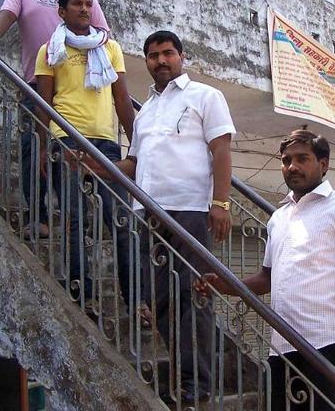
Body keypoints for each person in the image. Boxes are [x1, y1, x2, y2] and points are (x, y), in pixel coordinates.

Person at [85, 30, 235, 403]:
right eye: (153, 56)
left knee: (193, 297)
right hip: (147, 212)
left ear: (181, 57)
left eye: (167, 53)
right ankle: (186, 376)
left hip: (190, 211)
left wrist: (222, 203)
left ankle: (197, 385)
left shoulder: (205, 96)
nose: (160, 61)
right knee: (161, 299)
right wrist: (96, 165)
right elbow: (133, 163)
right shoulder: (146, 109)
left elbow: (221, 149)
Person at [197, 129, 335, 410]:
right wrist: (224, 285)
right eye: (286, 160)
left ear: (323, 164)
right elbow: (267, 277)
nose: (292, 167)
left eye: (303, 159)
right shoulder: (278, 218)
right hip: (282, 346)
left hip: (327, 344)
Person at [0, 0, 109, 238]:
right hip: (36, 85)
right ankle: (40, 216)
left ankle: (80, 219)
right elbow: (5, 19)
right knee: (32, 150)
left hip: (77, 90)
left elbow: (102, 37)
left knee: (73, 156)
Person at [34, 0, 134, 311]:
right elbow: (43, 102)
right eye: (76, 3)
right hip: (66, 140)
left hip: (107, 144)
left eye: (88, 4)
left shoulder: (110, 48)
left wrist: (138, 144)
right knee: (75, 220)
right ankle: (83, 293)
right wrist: (40, 146)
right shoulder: (50, 49)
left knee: (119, 220)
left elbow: (121, 98)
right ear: (61, 11)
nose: (84, 8)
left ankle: (135, 300)